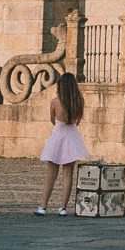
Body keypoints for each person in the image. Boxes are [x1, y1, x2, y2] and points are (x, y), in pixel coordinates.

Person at [35, 72, 90, 216]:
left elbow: (52, 119)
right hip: (72, 136)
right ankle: (63, 207)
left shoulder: (55, 101)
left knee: (51, 174)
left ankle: (43, 206)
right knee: (68, 174)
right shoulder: (80, 101)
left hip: (58, 136)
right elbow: (78, 120)